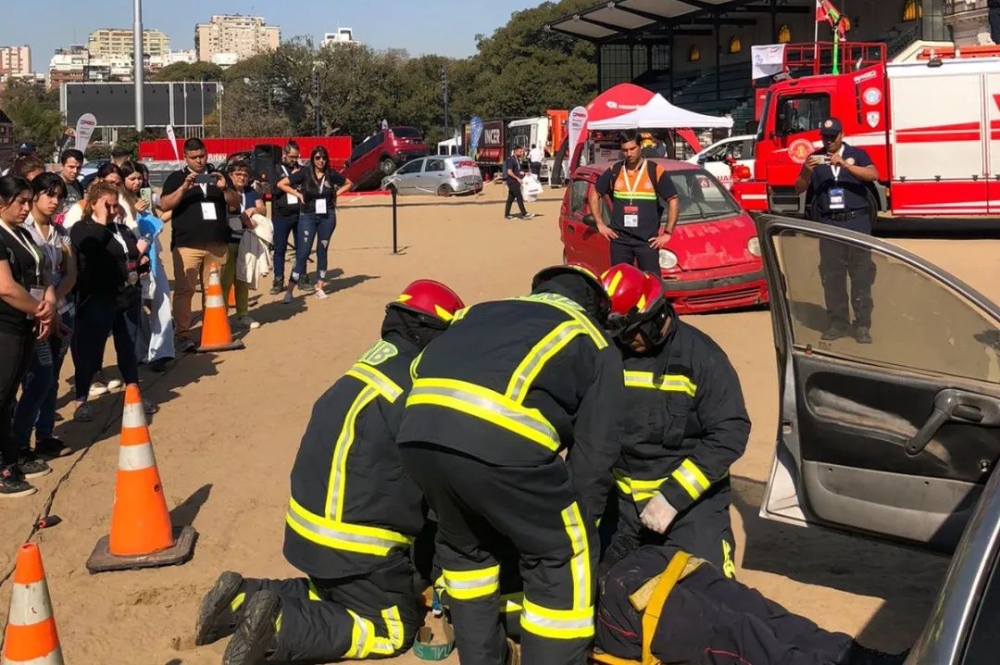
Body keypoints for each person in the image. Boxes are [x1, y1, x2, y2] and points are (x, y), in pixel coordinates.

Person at [194, 279, 466, 665]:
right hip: (357, 546)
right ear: (435, 333)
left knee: (339, 595)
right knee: (391, 628)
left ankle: (244, 596)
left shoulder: (369, 367)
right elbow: (441, 484)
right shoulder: (418, 386)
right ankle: (281, 627)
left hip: (308, 532)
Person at [397, 264, 626, 665]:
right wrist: (577, 526)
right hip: (500, 444)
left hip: (418, 435)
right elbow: (595, 455)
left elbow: (420, 369)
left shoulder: (481, 311)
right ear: (595, 306)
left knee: (466, 555)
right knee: (562, 558)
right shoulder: (593, 339)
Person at [598, 265, 749, 577]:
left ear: (655, 316)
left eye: (631, 332)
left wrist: (672, 497)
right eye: (619, 334)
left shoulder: (701, 357)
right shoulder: (609, 352)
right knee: (602, 588)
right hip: (623, 502)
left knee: (708, 592)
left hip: (691, 506)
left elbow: (730, 432)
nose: (626, 341)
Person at [593, 544, 908, 665]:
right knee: (743, 632)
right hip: (631, 578)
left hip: (630, 580)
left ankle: (868, 662)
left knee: (757, 622)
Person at [794, 117, 879, 344]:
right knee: (833, 278)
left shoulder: (856, 154)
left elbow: (873, 174)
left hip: (856, 223)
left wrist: (847, 165)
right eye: (825, 137)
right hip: (830, 224)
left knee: (861, 276)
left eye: (833, 136)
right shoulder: (815, 159)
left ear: (841, 135)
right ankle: (838, 323)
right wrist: (806, 172)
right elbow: (798, 188)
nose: (828, 141)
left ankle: (862, 325)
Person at [70, 181, 149, 422]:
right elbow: (92, 250)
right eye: (108, 205)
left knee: (127, 346)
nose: (113, 210)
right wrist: (102, 219)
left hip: (127, 295)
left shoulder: (121, 229)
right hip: (98, 297)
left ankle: (133, 391)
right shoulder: (82, 229)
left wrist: (141, 261)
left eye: (116, 205)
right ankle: (81, 398)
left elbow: (131, 254)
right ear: (93, 204)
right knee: (90, 350)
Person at [12, 173, 76, 463]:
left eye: (60, 196)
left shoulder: (61, 234)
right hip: (32, 316)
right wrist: (43, 309)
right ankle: (19, 441)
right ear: (34, 196)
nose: (55, 201)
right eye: (49, 194)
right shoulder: (21, 232)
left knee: (50, 379)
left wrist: (55, 301)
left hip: (59, 312)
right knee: (37, 378)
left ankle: (45, 434)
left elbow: (70, 273)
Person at [0, 176, 55, 497]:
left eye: (27, 201)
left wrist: (47, 305)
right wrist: (40, 309)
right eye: (20, 201)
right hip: (5, 325)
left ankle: (12, 454)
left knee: (8, 397)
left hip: (26, 324)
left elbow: (42, 270)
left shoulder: (21, 233)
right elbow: (5, 286)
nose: (26, 207)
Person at [159, 138, 239, 352]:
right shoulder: (177, 177)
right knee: (185, 290)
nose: (199, 161)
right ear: (185, 157)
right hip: (187, 245)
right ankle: (182, 334)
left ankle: (211, 327)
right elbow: (164, 204)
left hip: (217, 242)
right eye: (194, 157)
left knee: (212, 290)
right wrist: (184, 188)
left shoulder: (218, 176)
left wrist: (224, 188)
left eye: (202, 156)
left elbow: (235, 202)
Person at [588, 131, 679, 275]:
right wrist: (600, 224)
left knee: (652, 284)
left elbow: (673, 200)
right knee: (619, 282)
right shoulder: (614, 171)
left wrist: (667, 233)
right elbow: (595, 194)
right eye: (625, 150)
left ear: (640, 146)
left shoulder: (654, 171)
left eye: (632, 149)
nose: (629, 154)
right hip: (620, 241)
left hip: (647, 241)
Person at [277, 146, 352, 304]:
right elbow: (282, 184)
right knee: (303, 253)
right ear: (312, 159)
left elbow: (348, 183)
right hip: (308, 216)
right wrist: (297, 194)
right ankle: (289, 290)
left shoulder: (330, 174)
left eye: (323, 158)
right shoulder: (305, 173)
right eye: (317, 158)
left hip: (327, 216)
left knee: (322, 250)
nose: (321, 161)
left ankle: (319, 287)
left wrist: (335, 194)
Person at [222, 158, 264, 333]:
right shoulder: (225, 192)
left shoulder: (251, 193)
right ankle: (222, 316)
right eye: (238, 174)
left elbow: (263, 209)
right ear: (230, 175)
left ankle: (242, 313)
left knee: (243, 280)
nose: (242, 178)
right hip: (226, 241)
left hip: (246, 242)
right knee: (225, 281)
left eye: (245, 175)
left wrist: (253, 210)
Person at [270, 141, 303, 295]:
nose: (294, 160)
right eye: (291, 157)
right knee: (280, 249)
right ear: (284, 154)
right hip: (282, 216)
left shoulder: (302, 169)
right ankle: (278, 279)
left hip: (300, 214)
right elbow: (275, 190)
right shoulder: (276, 169)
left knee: (302, 248)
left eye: (296, 157)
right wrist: (292, 183)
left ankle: (301, 277)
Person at [502, 146, 534, 221]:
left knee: (510, 199)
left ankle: (507, 214)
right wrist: (518, 178)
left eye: (522, 151)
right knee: (519, 197)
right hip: (512, 182)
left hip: (515, 181)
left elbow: (518, 171)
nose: (521, 153)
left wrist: (525, 173)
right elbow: (509, 172)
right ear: (515, 151)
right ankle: (524, 213)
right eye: (520, 151)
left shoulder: (517, 160)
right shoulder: (511, 160)